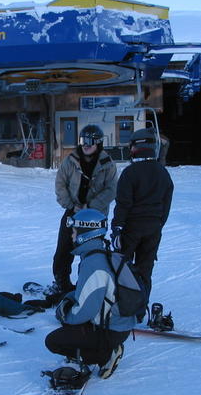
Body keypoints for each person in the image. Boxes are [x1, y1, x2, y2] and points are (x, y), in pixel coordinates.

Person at [45, 208, 134, 379]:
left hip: (111, 330)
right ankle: (102, 347)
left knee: (54, 341)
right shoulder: (101, 253)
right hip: (118, 324)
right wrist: (66, 300)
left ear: (86, 232)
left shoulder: (94, 264)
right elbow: (85, 292)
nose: (71, 235)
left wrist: (65, 315)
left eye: (74, 231)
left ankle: (105, 355)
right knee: (69, 316)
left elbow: (84, 311)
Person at [51, 124, 117, 300]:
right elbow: (60, 184)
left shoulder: (107, 164)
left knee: (90, 253)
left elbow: (112, 189)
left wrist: (92, 206)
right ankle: (61, 284)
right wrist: (71, 206)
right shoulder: (70, 160)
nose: (86, 144)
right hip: (73, 213)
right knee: (63, 250)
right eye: (82, 140)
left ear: (99, 143)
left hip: (95, 217)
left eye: (90, 141)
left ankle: (85, 285)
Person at [111, 127, 174, 296]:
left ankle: (123, 307)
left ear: (137, 147)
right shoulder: (163, 173)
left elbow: (123, 204)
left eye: (131, 146)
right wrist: (158, 223)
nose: (129, 150)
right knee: (145, 269)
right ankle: (140, 307)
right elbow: (166, 205)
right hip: (153, 229)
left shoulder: (130, 173)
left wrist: (117, 227)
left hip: (131, 229)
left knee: (123, 267)